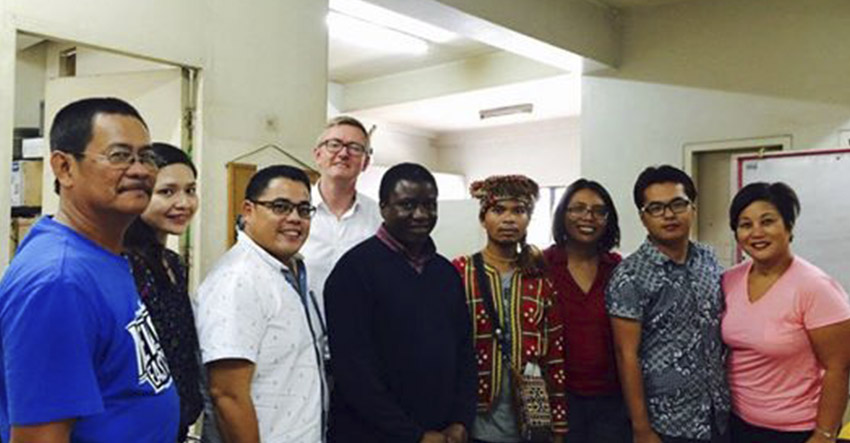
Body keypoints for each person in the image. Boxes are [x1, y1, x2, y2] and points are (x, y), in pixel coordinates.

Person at [0, 97, 179, 442]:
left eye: (146, 157)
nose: (140, 170)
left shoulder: (103, 255)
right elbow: (40, 438)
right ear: (64, 168)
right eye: (119, 156)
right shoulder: (59, 281)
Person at [324, 162, 476, 443]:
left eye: (429, 205)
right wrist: (414, 435)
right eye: (407, 204)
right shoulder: (354, 271)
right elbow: (354, 372)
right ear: (383, 207)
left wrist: (460, 421)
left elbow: (465, 353)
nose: (420, 214)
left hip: (443, 433)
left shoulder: (445, 273)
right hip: (372, 434)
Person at [195, 165, 325, 443]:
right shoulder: (238, 279)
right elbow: (227, 395)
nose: (295, 219)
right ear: (248, 210)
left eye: (304, 210)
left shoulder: (292, 270)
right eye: (280, 207)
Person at [606, 165, 729, 443]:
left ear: (693, 209)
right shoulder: (630, 275)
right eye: (656, 208)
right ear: (643, 217)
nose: (669, 215)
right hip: (667, 424)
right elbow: (626, 355)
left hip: (717, 414)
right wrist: (641, 428)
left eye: (678, 204)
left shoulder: (708, 260)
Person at [722, 182, 850, 443]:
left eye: (767, 221)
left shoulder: (816, 287)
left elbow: (838, 367)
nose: (756, 233)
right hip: (736, 423)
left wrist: (824, 434)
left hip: (795, 431)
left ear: (788, 227)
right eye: (745, 225)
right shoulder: (728, 280)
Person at [452, 174, 568, 442]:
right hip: (474, 415)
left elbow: (555, 355)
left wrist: (559, 426)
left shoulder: (540, 278)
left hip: (531, 413)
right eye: (498, 210)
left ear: (528, 218)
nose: (508, 219)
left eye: (519, 210)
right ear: (483, 218)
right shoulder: (460, 272)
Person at [123, 142, 202, 442]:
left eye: (190, 190)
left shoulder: (173, 263)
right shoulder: (125, 264)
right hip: (140, 425)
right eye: (167, 192)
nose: (183, 203)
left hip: (177, 421)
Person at [543, 179, 630, 443]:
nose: (588, 217)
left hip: (612, 401)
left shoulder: (619, 269)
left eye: (598, 210)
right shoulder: (541, 265)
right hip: (557, 398)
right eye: (577, 208)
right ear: (562, 215)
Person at [301, 116, 382, 318]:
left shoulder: (380, 218)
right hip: (299, 338)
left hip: (362, 336)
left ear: (366, 162)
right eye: (334, 144)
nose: (343, 153)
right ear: (318, 154)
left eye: (355, 148)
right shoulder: (293, 214)